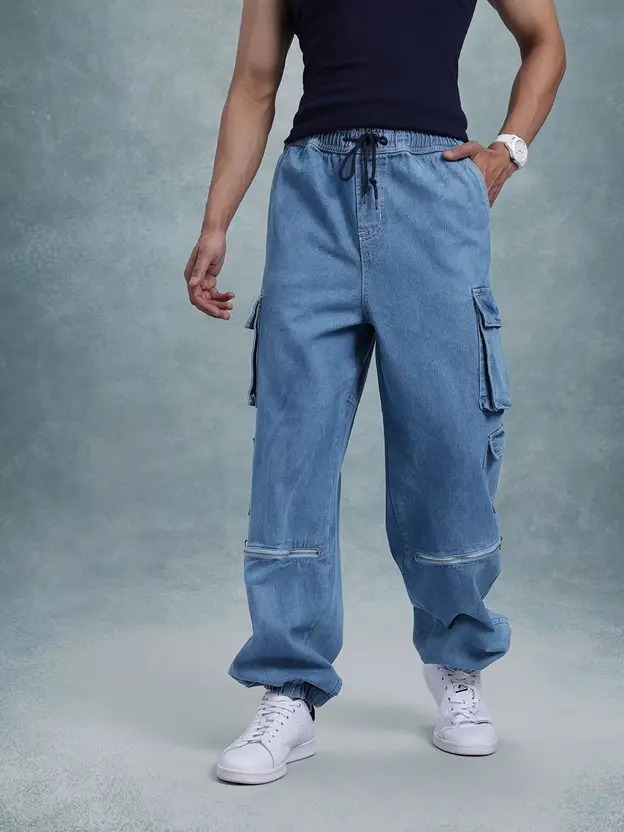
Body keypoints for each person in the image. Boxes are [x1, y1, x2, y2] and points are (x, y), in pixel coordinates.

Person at [183, 0, 566, 785]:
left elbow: (545, 41)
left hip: (433, 195)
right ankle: (289, 689)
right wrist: (216, 221)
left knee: (449, 445)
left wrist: (508, 150)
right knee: (291, 453)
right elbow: (255, 83)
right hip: (312, 198)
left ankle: (458, 662)